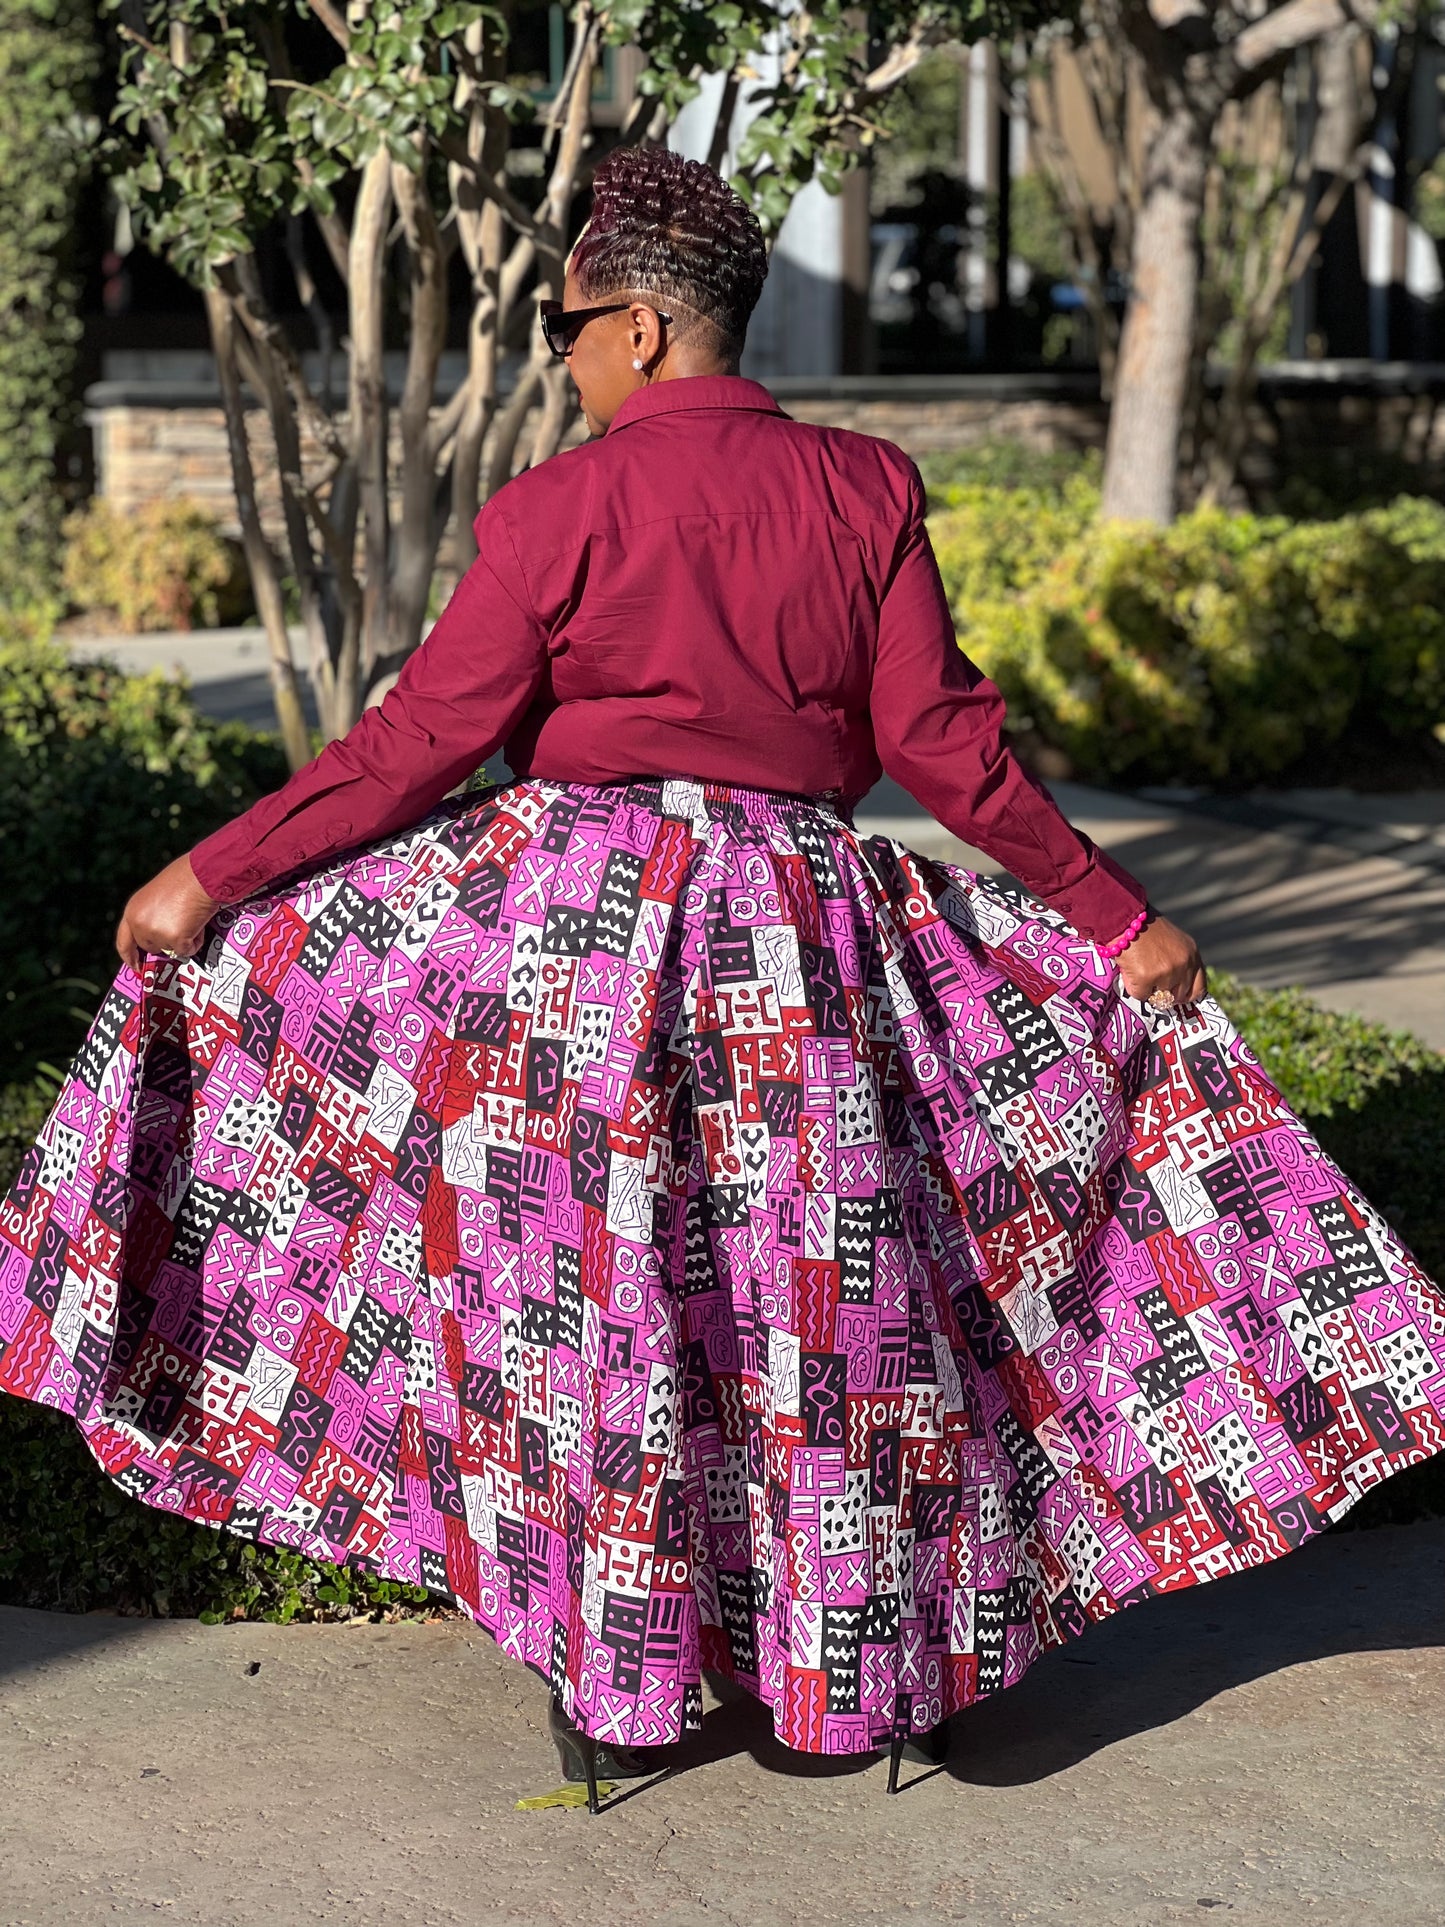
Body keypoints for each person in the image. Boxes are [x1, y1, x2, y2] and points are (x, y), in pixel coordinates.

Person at [3, 148, 1442, 1817]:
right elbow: (938, 747)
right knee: (829, 1309)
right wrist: (1112, 914)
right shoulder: (862, 486)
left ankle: (619, 1687)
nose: (556, 356)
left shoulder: (561, 506)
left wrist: (212, 877)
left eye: (564, 328)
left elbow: (425, 743)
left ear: (639, 327)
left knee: (590, 1312)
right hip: (805, 945)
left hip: (571, 955)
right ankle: (892, 1666)